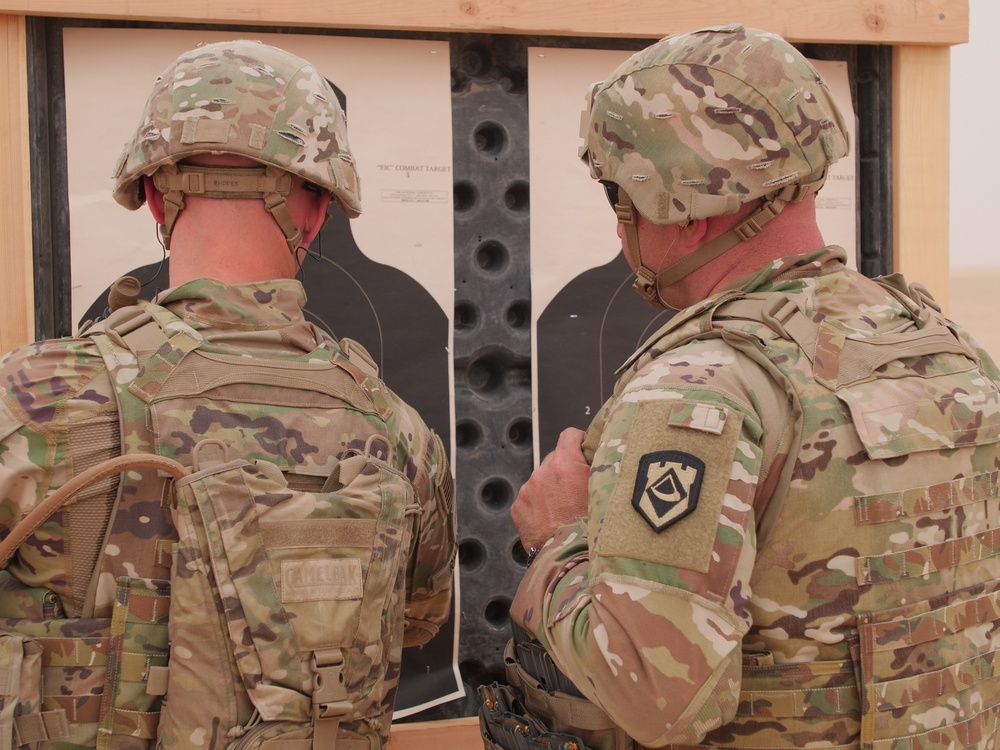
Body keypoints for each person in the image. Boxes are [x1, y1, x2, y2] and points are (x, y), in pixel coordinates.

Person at [486, 24, 1000, 750]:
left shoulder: (702, 390)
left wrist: (561, 536)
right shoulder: (950, 351)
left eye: (620, 193)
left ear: (677, 205)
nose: (620, 223)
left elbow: (654, 697)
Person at [0, 40, 456, 748]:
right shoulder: (398, 430)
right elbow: (418, 619)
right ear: (318, 211)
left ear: (155, 193)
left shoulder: (37, 399)